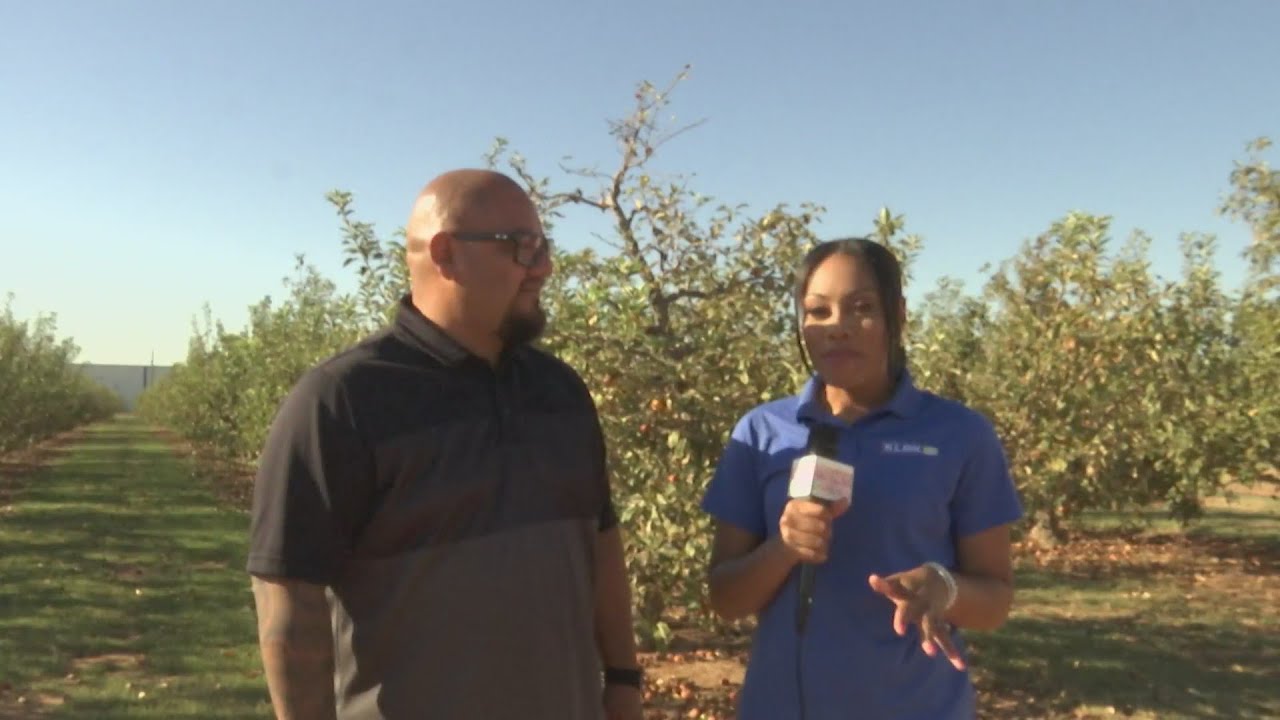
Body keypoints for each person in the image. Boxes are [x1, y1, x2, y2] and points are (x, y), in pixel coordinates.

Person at [245, 168, 645, 720]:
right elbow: (288, 603)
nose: (545, 268)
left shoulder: (562, 393)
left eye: (544, 246)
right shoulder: (342, 401)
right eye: (522, 248)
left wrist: (623, 680)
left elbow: (601, 540)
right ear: (445, 254)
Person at [700, 237, 1023, 719]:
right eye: (818, 311)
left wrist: (944, 588)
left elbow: (995, 601)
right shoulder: (763, 433)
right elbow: (725, 598)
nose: (838, 328)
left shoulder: (960, 434)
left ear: (899, 314)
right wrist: (783, 548)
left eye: (861, 308)